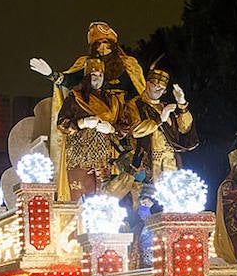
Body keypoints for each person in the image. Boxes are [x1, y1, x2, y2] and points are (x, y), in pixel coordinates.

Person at [55, 57, 133, 200]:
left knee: (103, 202)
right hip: (79, 159)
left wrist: (112, 128)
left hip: (103, 161)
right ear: (87, 76)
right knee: (78, 201)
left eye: (100, 75)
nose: (97, 78)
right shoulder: (75, 97)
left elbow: (125, 127)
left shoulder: (113, 100)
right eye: (93, 75)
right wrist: (81, 123)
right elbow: (61, 124)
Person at [125, 66, 199, 182]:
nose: (159, 90)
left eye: (162, 89)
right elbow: (136, 130)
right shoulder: (135, 104)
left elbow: (185, 129)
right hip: (148, 159)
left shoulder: (165, 106)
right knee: (148, 195)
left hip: (170, 161)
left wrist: (182, 103)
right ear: (148, 83)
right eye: (156, 86)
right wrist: (160, 119)